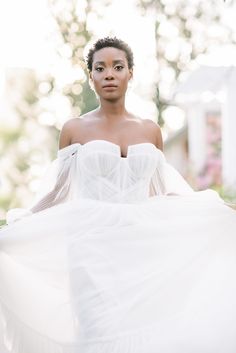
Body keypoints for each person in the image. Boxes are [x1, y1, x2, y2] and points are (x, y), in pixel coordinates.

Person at [0, 36, 236, 353]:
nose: (109, 74)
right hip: (90, 246)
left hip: (140, 247)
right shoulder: (74, 129)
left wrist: (216, 209)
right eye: (100, 68)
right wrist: (18, 226)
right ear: (91, 78)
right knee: (97, 329)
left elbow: (160, 192)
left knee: (140, 331)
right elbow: (58, 192)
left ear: (130, 74)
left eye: (117, 67)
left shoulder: (150, 130)